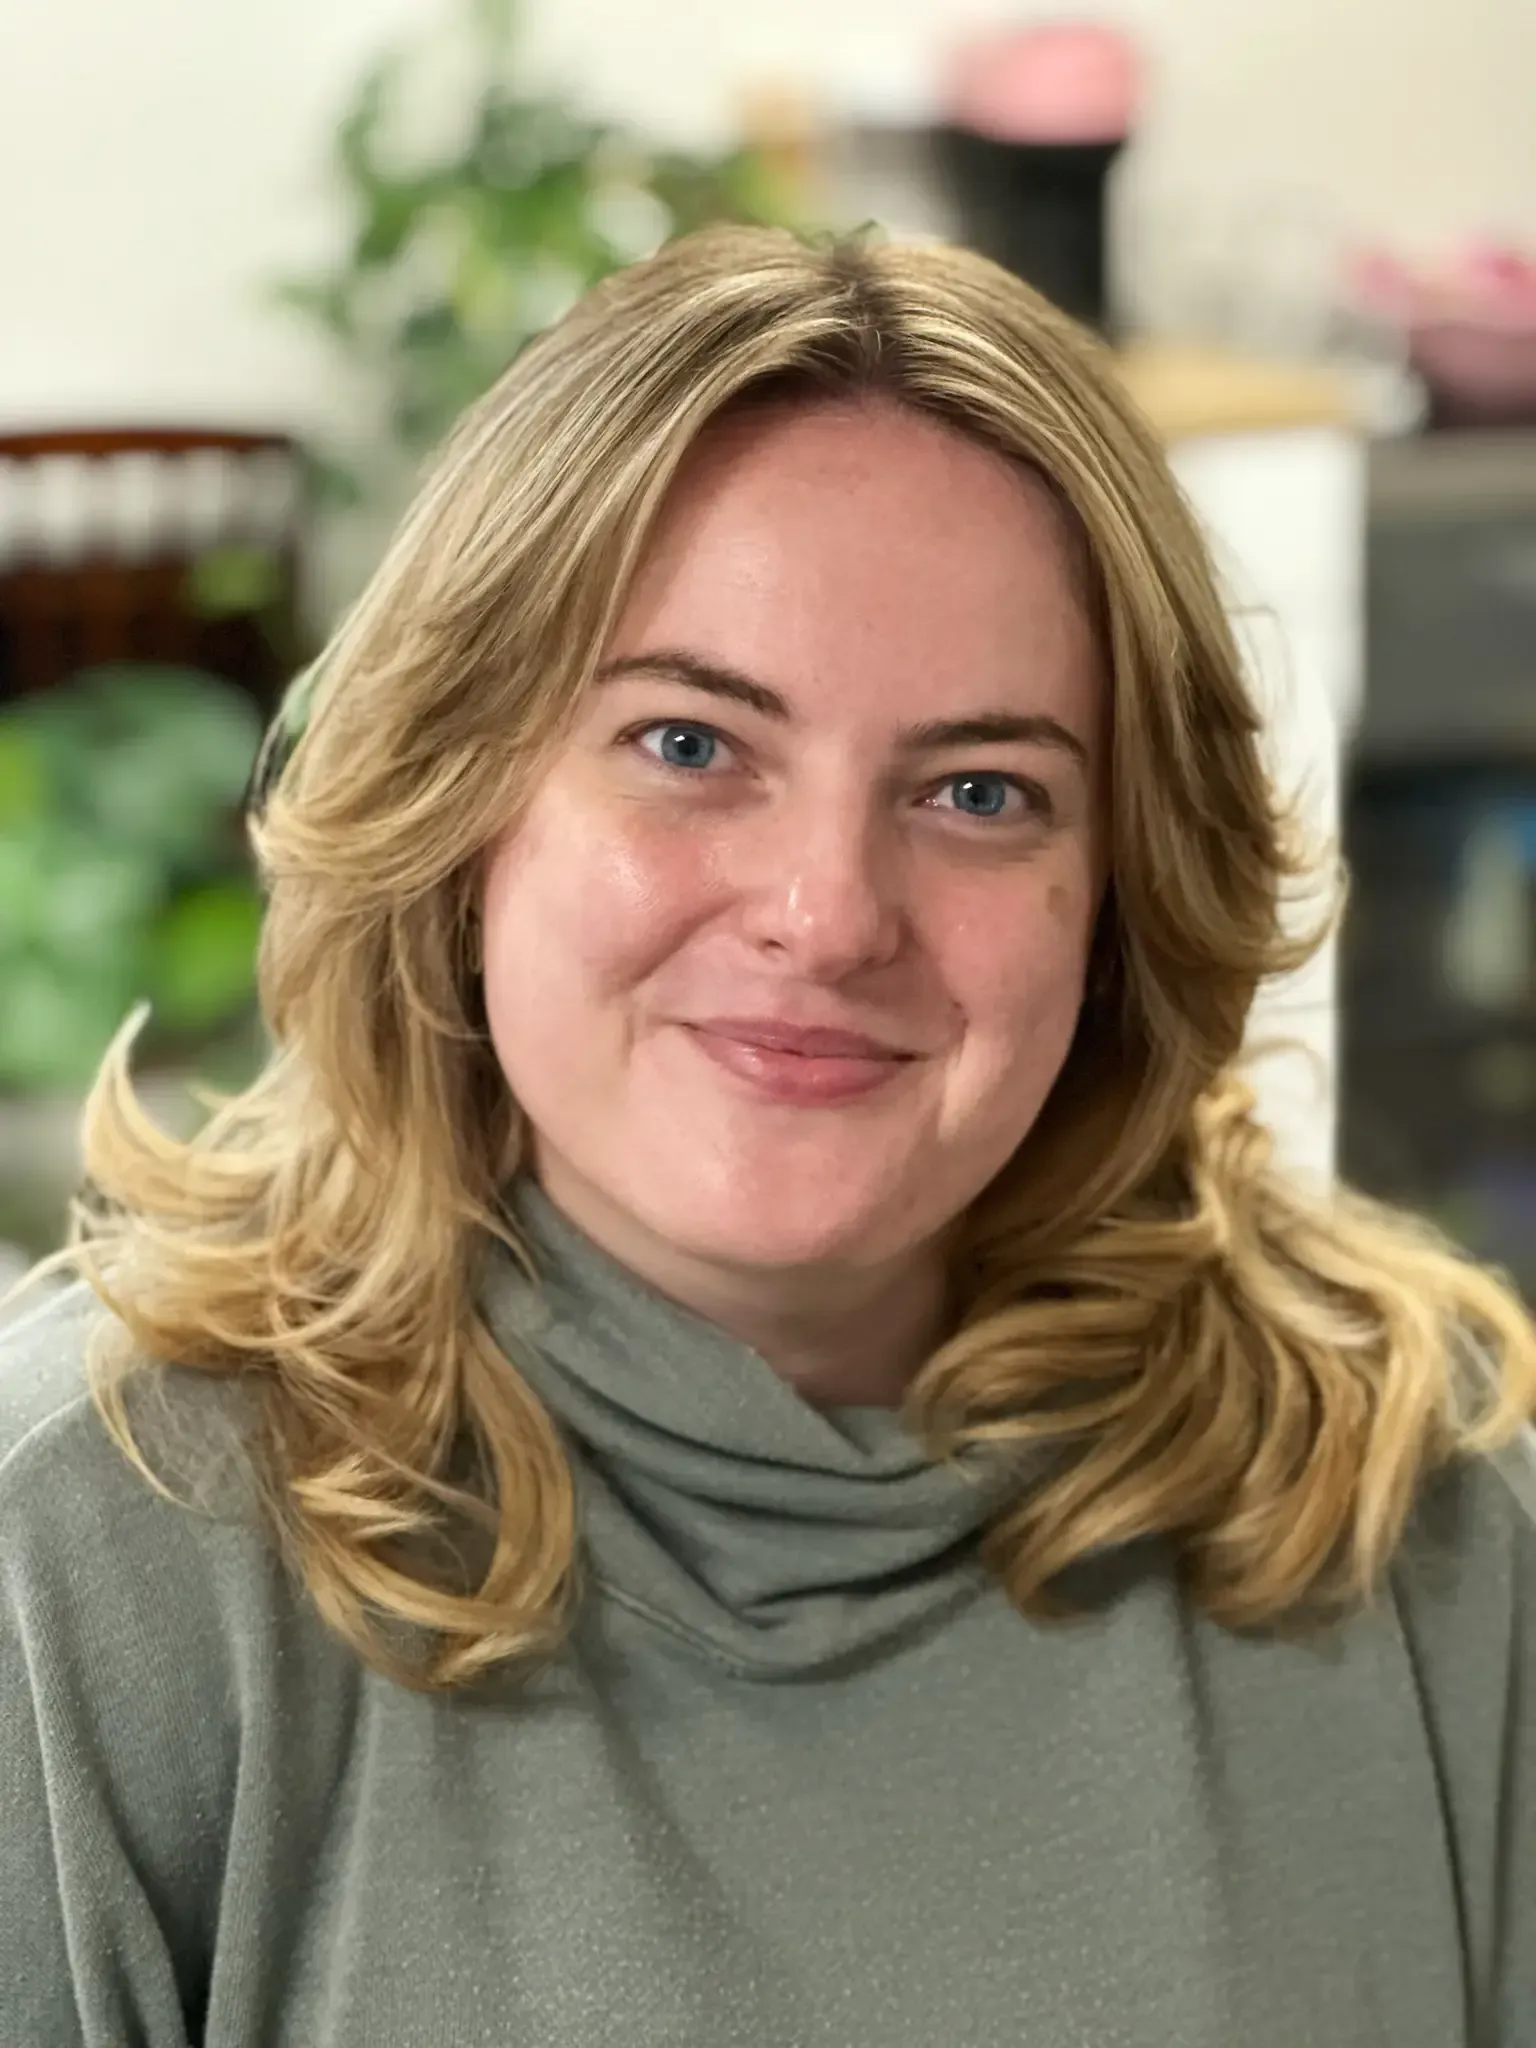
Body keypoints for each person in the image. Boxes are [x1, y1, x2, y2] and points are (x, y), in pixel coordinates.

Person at [2, 225, 1533, 2048]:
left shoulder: (1408, 1505)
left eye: (982, 792)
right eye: (688, 745)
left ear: (1121, 890)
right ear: (461, 787)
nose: (828, 913)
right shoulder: (89, 1557)